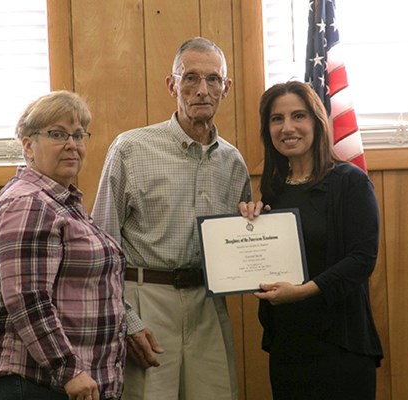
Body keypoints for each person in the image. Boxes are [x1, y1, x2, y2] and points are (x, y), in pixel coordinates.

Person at [92, 37, 251, 400]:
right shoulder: (131, 149)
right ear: (172, 85)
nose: (202, 90)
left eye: (213, 80)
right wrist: (127, 321)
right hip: (146, 300)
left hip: (207, 304)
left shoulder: (233, 162)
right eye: (190, 78)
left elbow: (240, 244)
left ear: (226, 88)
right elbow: (101, 247)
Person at [0, 91, 127, 400]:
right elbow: (27, 298)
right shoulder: (28, 204)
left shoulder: (61, 202)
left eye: (78, 134)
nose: (72, 144)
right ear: (28, 145)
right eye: (57, 134)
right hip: (32, 383)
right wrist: (69, 369)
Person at [239, 81, 383, 399]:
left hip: (341, 345)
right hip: (289, 344)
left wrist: (304, 292)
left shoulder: (350, 182)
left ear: (317, 123)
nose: (287, 127)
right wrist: (249, 228)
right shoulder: (274, 191)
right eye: (277, 119)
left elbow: (362, 259)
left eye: (298, 116)